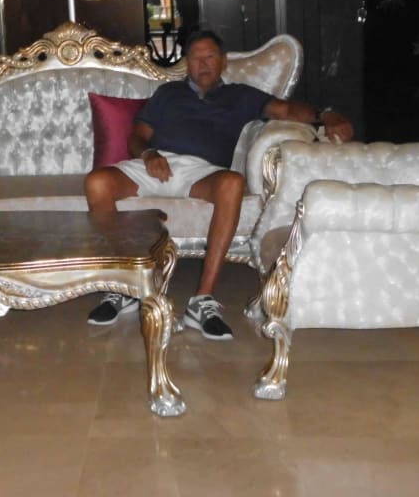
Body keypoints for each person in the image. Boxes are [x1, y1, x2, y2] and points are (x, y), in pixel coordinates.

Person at [84, 29, 354, 339]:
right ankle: (123, 288)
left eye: (210, 57)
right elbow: (137, 136)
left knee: (232, 183)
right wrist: (148, 154)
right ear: (187, 63)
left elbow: (286, 110)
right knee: (98, 182)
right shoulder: (168, 93)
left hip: (201, 171)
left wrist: (326, 115)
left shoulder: (241, 95)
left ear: (223, 61)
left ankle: (202, 300)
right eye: (195, 58)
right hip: (155, 162)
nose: (203, 64)